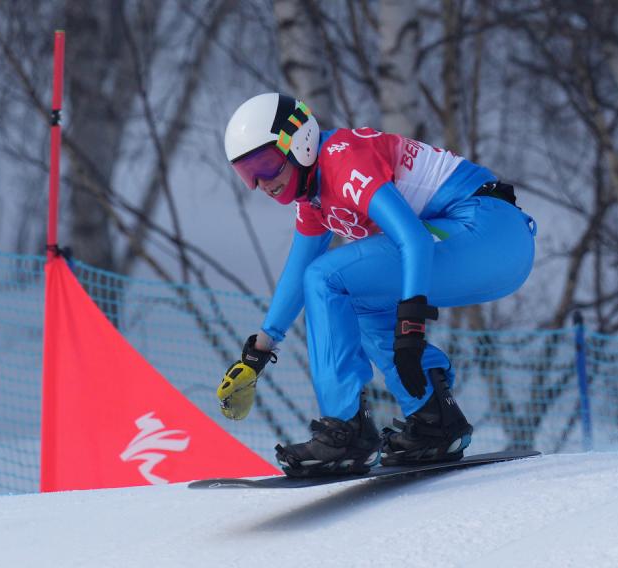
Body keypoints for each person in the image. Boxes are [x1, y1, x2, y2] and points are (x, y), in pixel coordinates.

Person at [216, 93, 536, 478]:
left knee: (328, 277)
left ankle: (345, 433)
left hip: (489, 232)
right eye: (247, 174)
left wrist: (411, 324)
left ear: (299, 142)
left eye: (265, 165)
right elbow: (295, 274)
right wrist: (256, 355)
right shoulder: (314, 197)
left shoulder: (342, 157)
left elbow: (413, 240)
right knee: (356, 294)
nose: (261, 183)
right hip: (487, 242)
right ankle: (433, 418)